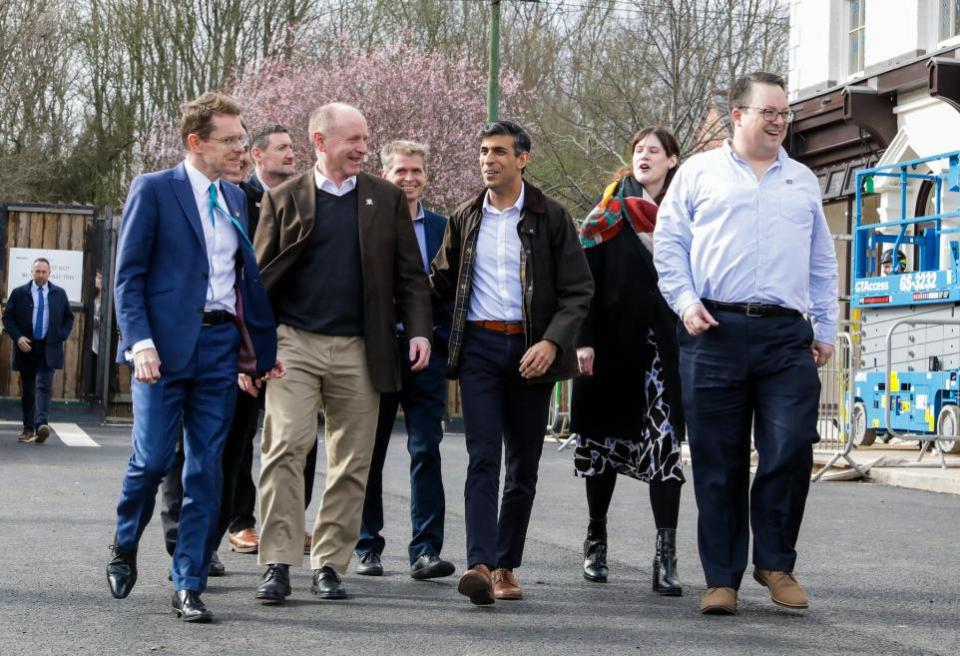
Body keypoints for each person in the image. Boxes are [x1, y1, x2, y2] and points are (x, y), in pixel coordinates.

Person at [654, 72, 838, 615]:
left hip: (786, 335)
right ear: (738, 116)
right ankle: (721, 579)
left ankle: (775, 563)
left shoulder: (802, 180)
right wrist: (686, 302)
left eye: (785, 112)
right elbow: (669, 245)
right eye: (770, 111)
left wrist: (825, 328)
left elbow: (821, 260)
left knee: (790, 447)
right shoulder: (698, 174)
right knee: (718, 461)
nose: (781, 120)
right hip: (714, 331)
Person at [105, 92, 282, 624]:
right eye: (230, 140)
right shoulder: (155, 190)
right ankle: (123, 542)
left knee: (207, 469)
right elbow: (128, 276)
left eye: (243, 140)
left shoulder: (236, 200)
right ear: (195, 142)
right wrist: (139, 343)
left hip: (220, 350)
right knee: (155, 459)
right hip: (159, 351)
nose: (241, 150)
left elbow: (244, 283)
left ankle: (189, 581)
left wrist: (259, 351)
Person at [252, 102, 432, 604]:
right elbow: (257, 279)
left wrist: (418, 331)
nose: (362, 148)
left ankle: (330, 564)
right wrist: (252, 350)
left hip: (361, 347)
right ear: (319, 142)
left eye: (365, 138)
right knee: (286, 448)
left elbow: (410, 276)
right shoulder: (285, 198)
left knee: (353, 461)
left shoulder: (386, 199)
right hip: (294, 344)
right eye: (352, 139)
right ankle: (277, 563)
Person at [430, 120, 593, 606]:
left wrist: (551, 343)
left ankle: (505, 565)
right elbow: (438, 284)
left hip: (532, 354)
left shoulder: (552, 217)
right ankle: (478, 564)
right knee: (483, 457)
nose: (488, 160)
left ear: (523, 158)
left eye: (499, 151)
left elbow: (578, 291)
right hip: (479, 349)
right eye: (482, 151)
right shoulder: (465, 218)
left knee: (522, 466)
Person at [571, 127, 685, 595]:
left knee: (666, 449)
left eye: (654, 151)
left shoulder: (687, 213)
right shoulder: (607, 212)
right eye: (639, 150)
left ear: (672, 161)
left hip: (663, 349)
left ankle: (666, 556)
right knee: (601, 447)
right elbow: (584, 281)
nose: (644, 156)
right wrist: (583, 340)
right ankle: (596, 538)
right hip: (610, 347)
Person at [354, 140, 455, 580]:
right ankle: (366, 546)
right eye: (401, 171)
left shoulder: (443, 228)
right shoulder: (365, 222)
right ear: (385, 175)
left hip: (425, 355)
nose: (409, 179)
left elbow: (455, 291)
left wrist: (444, 341)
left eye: (416, 171)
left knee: (425, 450)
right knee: (367, 453)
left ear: (426, 175)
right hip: (376, 352)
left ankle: (426, 550)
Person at [2, 257, 75, 444]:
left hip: (48, 346)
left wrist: (60, 335)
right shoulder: (19, 293)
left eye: (44, 272)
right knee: (28, 389)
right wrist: (18, 337)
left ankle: (41, 424)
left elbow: (69, 318)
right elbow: (7, 318)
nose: (41, 275)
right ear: (31, 272)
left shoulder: (59, 293)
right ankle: (28, 428)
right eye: (38, 271)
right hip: (27, 346)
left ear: (50, 273)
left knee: (44, 384)